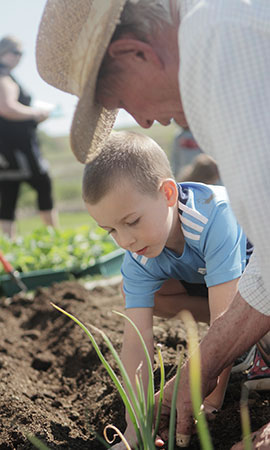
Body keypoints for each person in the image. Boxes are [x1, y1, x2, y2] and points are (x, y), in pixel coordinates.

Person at [35, 1, 270, 447]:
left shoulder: (221, 43)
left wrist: (203, 389)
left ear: (135, 53)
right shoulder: (214, 50)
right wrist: (136, 423)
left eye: (121, 100)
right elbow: (137, 344)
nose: (142, 121)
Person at [82, 130, 252, 448]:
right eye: (111, 231)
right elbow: (137, 342)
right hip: (222, 291)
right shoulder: (138, 256)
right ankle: (248, 348)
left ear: (168, 194)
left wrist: (209, 403)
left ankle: (253, 347)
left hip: (259, 293)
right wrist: (135, 429)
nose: (125, 241)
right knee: (149, 296)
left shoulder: (216, 216)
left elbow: (224, 319)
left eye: (132, 221)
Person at [0, 35, 58, 239]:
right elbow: (6, 108)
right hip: (20, 149)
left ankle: (10, 245)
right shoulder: (3, 76)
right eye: (17, 53)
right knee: (43, 184)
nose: (19, 58)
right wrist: (36, 113)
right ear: (6, 52)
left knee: (8, 195)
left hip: (6, 151)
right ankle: (54, 237)